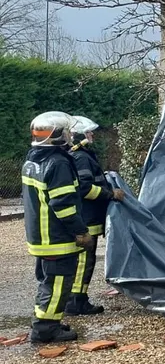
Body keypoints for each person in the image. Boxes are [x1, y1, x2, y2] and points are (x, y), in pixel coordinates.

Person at [22, 111, 92, 344]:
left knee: (48, 283)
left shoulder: (32, 161)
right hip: (57, 238)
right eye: (66, 132)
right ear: (57, 136)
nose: (70, 136)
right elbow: (63, 205)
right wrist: (80, 231)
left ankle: (48, 320)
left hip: (40, 237)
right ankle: (45, 329)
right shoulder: (58, 163)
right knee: (58, 284)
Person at [66, 115, 126, 315]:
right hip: (87, 219)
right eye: (88, 132)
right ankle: (77, 302)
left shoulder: (80, 155)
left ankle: (76, 300)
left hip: (87, 217)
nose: (92, 134)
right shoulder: (81, 157)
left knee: (84, 261)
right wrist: (110, 194)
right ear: (80, 135)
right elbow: (85, 188)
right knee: (84, 261)